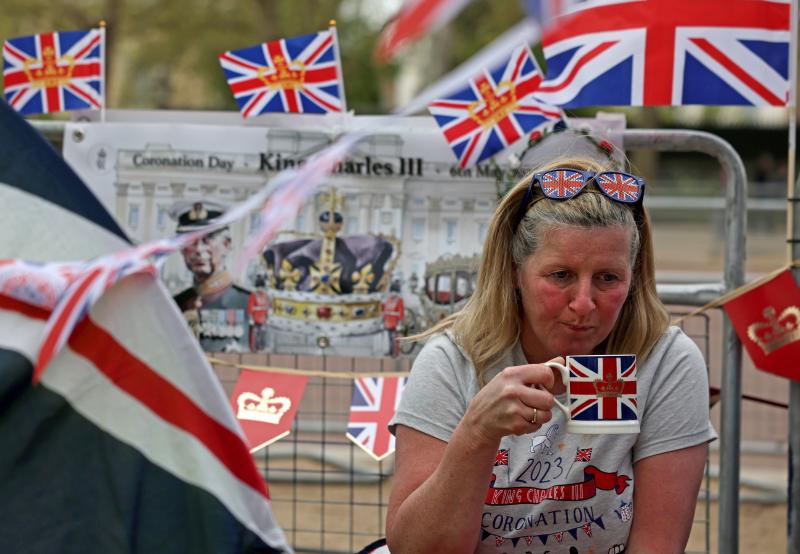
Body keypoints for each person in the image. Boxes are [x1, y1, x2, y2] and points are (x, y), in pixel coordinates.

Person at [386, 155, 716, 553]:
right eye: (561, 276)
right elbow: (417, 549)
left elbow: (657, 545)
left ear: (634, 278)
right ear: (514, 272)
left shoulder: (664, 361)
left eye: (607, 278)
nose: (583, 303)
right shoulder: (455, 360)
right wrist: (476, 435)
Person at [171, 201, 250, 352]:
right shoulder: (174, 305)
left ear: (226, 245)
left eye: (208, 239)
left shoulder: (248, 303)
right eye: (190, 241)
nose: (199, 249)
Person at [382, 280, 405, 357]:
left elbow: (401, 312)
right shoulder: (388, 300)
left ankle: (396, 352)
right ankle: (390, 351)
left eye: (395, 291)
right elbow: (385, 310)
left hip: (395, 323)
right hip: (388, 322)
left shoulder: (399, 300)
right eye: (392, 291)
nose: (393, 293)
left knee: (395, 338)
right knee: (389, 339)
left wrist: (399, 322)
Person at [247, 275, 270, 351]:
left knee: (262, 335)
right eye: (258, 287)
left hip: (263, 320)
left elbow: (267, 307)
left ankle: (261, 348)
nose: (260, 289)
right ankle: (254, 349)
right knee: (254, 336)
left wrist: (267, 317)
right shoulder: (253, 295)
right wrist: (251, 318)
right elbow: (250, 307)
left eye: (261, 287)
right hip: (255, 320)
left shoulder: (265, 295)